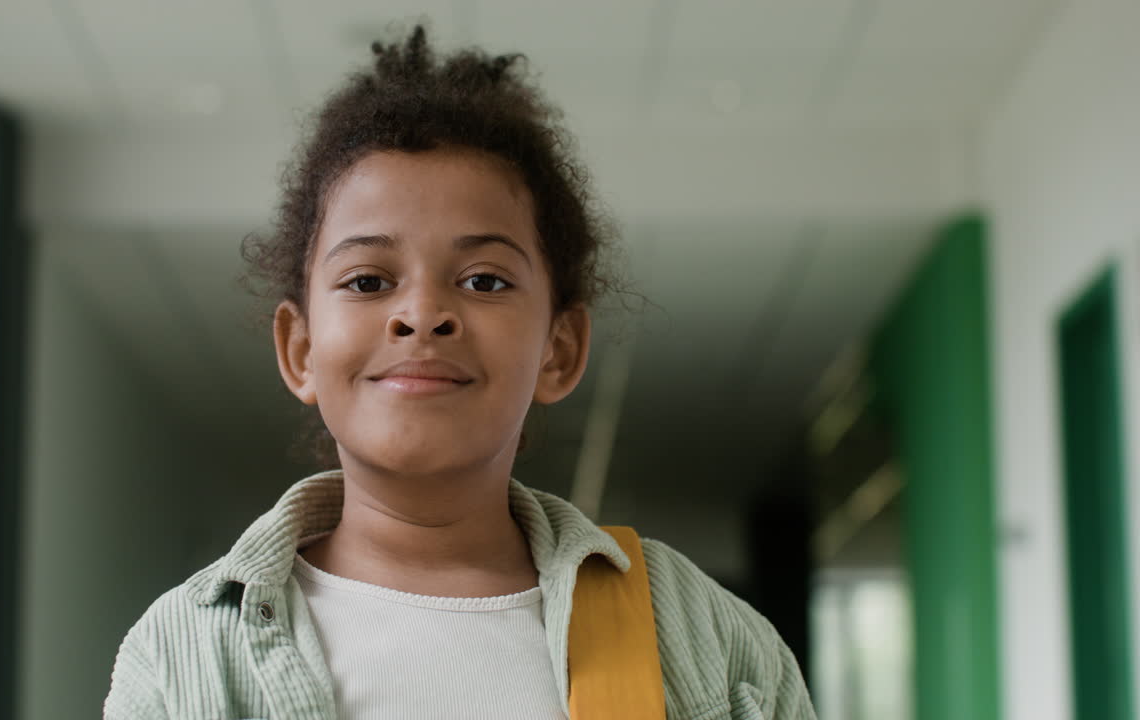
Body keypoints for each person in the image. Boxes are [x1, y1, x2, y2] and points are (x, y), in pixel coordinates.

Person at [104, 25, 816, 720]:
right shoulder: (185, 652)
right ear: (299, 350)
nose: (422, 314)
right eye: (366, 281)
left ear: (559, 350)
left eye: (483, 281)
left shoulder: (705, 640)